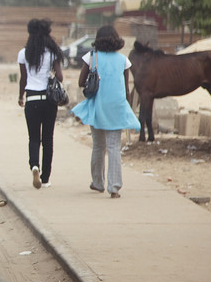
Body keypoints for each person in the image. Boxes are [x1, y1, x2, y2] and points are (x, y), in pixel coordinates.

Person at [71, 25, 141, 198]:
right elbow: (126, 89)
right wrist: (127, 108)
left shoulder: (91, 57)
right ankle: (114, 187)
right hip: (116, 106)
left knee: (98, 146)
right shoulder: (123, 60)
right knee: (114, 147)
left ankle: (98, 182)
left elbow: (81, 82)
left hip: (97, 106)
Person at [17, 19, 65, 189]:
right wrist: (51, 72)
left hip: (31, 99)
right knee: (48, 140)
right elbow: (60, 77)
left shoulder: (24, 53)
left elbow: (23, 79)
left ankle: (34, 165)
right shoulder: (52, 53)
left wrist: (21, 97)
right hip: (49, 101)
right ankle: (45, 178)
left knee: (34, 137)